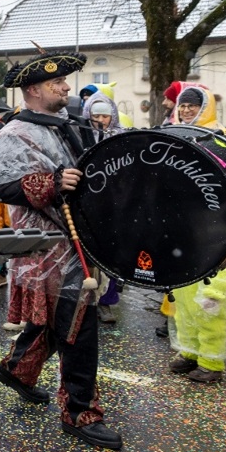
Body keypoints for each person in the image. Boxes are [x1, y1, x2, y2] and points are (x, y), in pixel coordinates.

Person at [0, 50, 122, 450]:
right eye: (56, 82)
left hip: (78, 240)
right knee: (78, 328)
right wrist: (49, 183)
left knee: (58, 321)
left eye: (63, 81)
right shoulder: (13, 134)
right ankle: (80, 412)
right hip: (47, 247)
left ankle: (17, 370)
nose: (65, 87)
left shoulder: (69, 125)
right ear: (33, 90)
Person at [166, 85, 226, 383]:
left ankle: (211, 362)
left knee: (211, 301)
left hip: (217, 228)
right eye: (183, 105)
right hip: (183, 228)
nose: (186, 110)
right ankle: (190, 351)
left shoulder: (220, 137)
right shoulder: (175, 134)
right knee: (185, 299)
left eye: (193, 105)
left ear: (205, 107)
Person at [83, 90, 126, 324]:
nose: (100, 121)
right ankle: (86, 300)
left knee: (110, 255)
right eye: (95, 116)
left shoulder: (121, 138)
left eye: (105, 116)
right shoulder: (80, 136)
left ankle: (106, 302)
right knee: (88, 254)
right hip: (89, 204)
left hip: (115, 204)